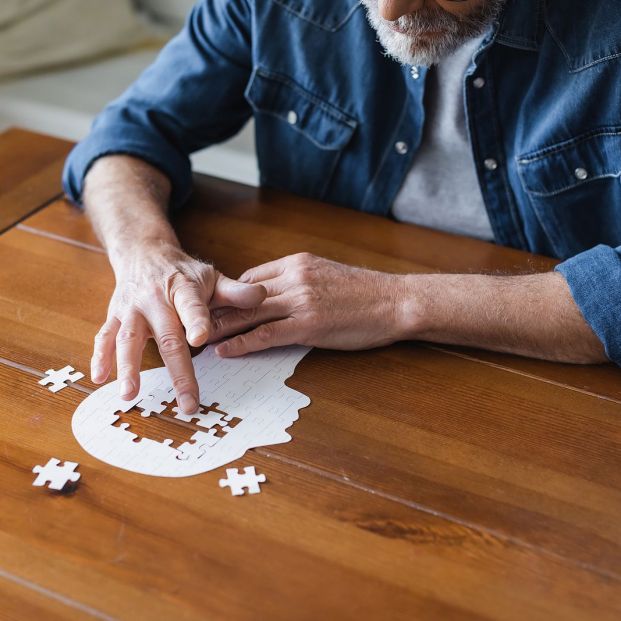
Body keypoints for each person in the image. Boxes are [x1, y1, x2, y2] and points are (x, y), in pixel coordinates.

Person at [63, 0, 620, 414]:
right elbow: (126, 133)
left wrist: (396, 300)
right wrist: (146, 255)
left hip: (558, 396)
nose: (391, 9)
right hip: (325, 379)